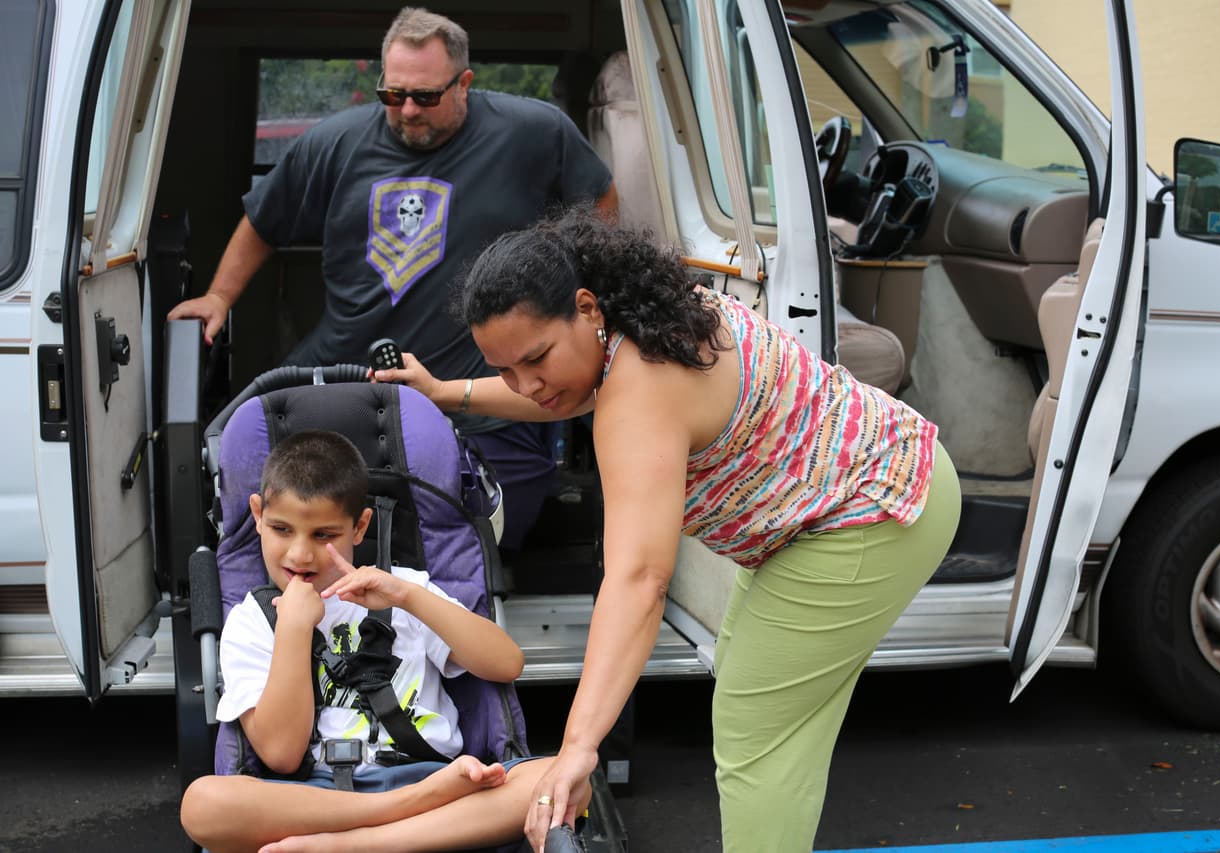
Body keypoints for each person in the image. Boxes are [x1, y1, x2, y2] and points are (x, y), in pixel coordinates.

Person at [374, 208, 962, 853]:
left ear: (586, 307)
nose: (525, 384)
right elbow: (560, 392)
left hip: (867, 513)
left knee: (755, 735)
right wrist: (447, 393)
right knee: (763, 715)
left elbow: (639, 579)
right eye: (505, 368)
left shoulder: (643, 389)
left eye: (535, 357)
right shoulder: (638, 321)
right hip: (878, 476)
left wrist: (577, 748)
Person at [167, 7, 618, 550]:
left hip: (486, 404)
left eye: (425, 97)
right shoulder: (332, 143)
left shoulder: (534, 132)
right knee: (273, 512)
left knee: (470, 543)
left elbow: (599, 200)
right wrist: (219, 296)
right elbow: (265, 221)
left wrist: (595, 294)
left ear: (464, 84)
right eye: (393, 94)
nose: (407, 110)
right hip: (350, 387)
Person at [179, 429, 575, 853]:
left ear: (359, 527)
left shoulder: (404, 588)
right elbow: (281, 755)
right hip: (322, 799)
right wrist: (293, 628)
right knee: (202, 803)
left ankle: (349, 847)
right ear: (256, 515)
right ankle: (390, 820)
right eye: (281, 529)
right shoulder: (251, 622)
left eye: (323, 535)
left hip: (427, 776)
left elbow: (506, 663)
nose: (300, 555)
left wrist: (408, 598)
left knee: (566, 779)